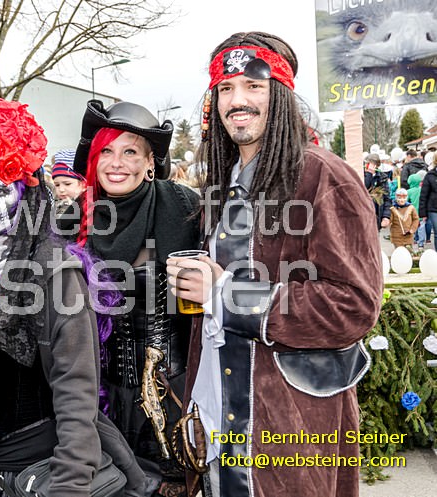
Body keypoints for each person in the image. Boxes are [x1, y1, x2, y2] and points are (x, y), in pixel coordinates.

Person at [167, 32, 383, 497]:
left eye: (253, 86)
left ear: (280, 95)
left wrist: (226, 294)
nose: (237, 101)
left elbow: (353, 305)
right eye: (226, 89)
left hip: (290, 429)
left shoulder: (323, 175)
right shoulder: (221, 185)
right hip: (220, 420)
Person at [0, 96, 121, 497]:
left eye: (0, 191)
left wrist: (69, 484)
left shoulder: (56, 273)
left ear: (25, 196)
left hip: (42, 469)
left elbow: (76, 392)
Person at [61, 99, 201, 496]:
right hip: (100, 396)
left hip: (174, 393)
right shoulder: (73, 217)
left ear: (150, 161)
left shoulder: (185, 208)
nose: (116, 163)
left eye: (130, 152)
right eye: (106, 151)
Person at [51, 148, 86, 217]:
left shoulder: (92, 207)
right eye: (57, 185)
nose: (61, 189)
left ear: (83, 184)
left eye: (67, 184)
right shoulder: (54, 207)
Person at [364, 153, 392, 230]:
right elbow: (363, 189)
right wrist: (369, 174)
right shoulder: (361, 176)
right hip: (363, 217)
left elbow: (386, 198)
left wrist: (386, 216)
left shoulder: (382, 178)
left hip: (376, 216)